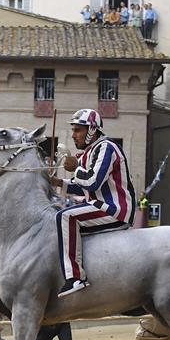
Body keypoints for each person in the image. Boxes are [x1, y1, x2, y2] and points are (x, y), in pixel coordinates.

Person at [49, 109, 135, 297]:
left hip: (114, 210)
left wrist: (76, 168)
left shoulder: (106, 147)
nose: (73, 135)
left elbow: (93, 182)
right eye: (73, 130)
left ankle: (76, 278)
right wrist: (57, 182)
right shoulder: (89, 152)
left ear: (91, 130)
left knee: (65, 216)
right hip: (98, 206)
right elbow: (83, 187)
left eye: (77, 130)